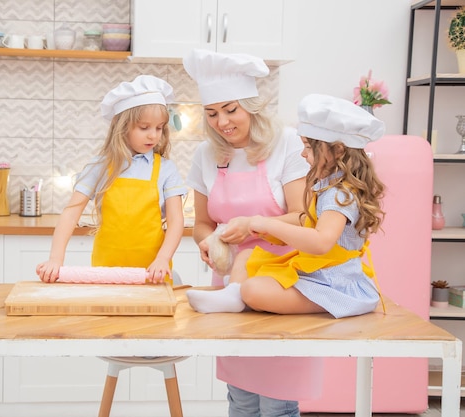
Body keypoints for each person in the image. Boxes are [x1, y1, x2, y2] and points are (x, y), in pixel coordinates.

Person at [182, 48, 320, 417]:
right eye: (212, 113)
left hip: (281, 281)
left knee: (277, 400)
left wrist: (254, 225)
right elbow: (201, 224)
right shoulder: (204, 155)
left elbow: (304, 217)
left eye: (231, 109)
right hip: (229, 283)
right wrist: (208, 243)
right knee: (241, 398)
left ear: (251, 106)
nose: (222, 122)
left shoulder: (287, 144)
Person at [186, 93, 386, 319]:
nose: (303, 154)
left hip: (334, 282)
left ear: (338, 151)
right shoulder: (327, 187)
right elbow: (306, 223)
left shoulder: (339, 194)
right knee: (246, 256)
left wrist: (264, 224)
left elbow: (321, 242)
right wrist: (259, 227)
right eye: (212, 114)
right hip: (314, 270)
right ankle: (233, 295)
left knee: (252, 289)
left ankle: (245, 296)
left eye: (309, 147)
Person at [36, 75, 187, 284]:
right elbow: (71, 213)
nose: (153, 136)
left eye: (159, 128)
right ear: (122, 126)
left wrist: (163, 259)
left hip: (152, 272)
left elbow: (176, 221)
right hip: (106, 271)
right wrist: (55, 259)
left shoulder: (166, 169)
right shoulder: (100, 167)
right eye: (144, 128)